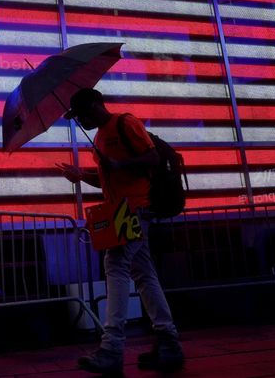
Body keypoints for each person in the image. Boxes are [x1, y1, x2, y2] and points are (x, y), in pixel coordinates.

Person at [56, 88, 184, 375]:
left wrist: (118, 164)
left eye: (82, 115)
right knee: (143, 273)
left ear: (95, 105)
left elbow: (150, 158)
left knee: (115, 266)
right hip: (120, 212)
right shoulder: (100, 138)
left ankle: (112, 348)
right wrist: (82, 176)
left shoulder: (126, 123)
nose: (82, 122)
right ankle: (168, 343)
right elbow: (108, 181)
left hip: (135, 208)